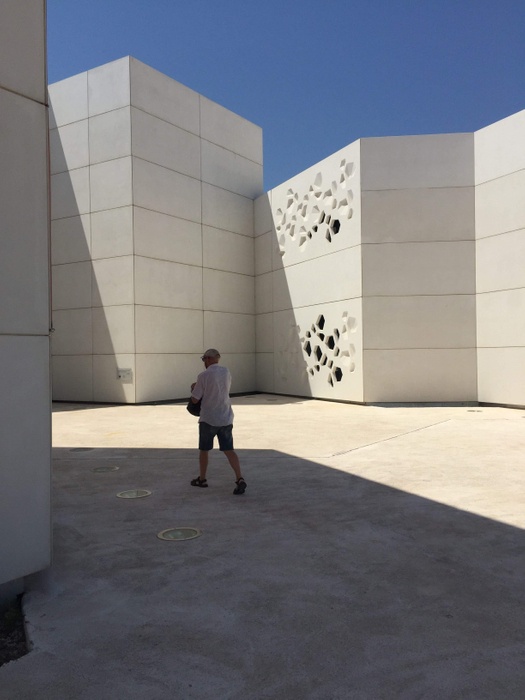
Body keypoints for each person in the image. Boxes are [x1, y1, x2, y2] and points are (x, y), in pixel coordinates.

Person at [189, 349, 247, 495]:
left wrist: (194, 388)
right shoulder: (226, 372)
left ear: (208, 359)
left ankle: (202, 479)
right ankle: (239, 478)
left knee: (204, 450)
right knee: (229, 450)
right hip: (226, 417)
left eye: (204, 359)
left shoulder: (203, 376)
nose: (203, 362)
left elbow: (195, 399)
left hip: (208, 418)